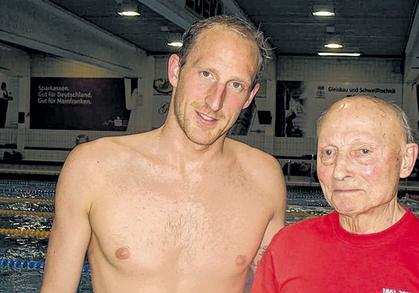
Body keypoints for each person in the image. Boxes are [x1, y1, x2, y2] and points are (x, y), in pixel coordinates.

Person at [41, 15, 286, 293]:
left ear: (250, 96)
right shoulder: (93, 168)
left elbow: (267, 287)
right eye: (206, 74)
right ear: (175, 71)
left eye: (235, 85)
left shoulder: (264, 178)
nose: (215, 101)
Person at [251, 96, 419, 292]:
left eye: (363, 151)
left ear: (406, 160)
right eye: (329, 152)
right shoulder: (287, 247)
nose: (339, 171)